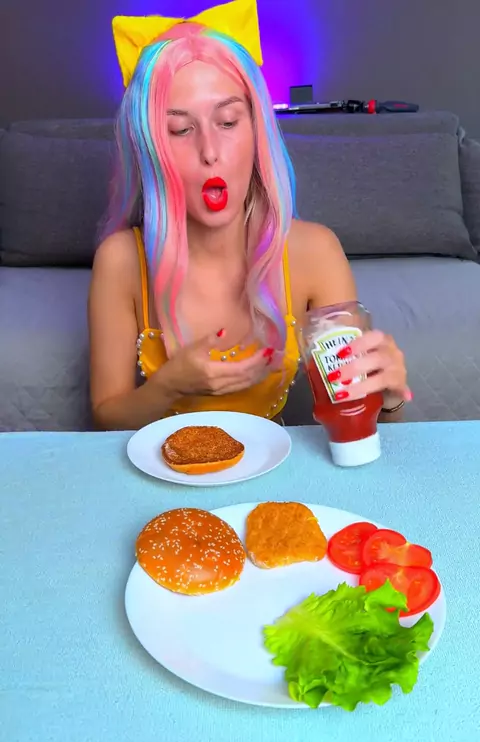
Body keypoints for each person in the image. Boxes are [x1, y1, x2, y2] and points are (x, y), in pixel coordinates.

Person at [89, 0, 410, 431]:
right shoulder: (120, 261)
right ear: (150, 147)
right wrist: (167, 387)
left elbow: (356, 419)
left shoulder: (315, 252)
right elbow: (106, 417)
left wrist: (387, 399)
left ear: (257, 130)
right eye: (180, 129)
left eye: (227, 122)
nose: (209, 152)